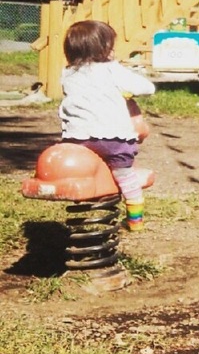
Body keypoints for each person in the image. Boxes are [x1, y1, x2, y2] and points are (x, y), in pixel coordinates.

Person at [58, 20, 156, 231]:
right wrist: (128, 91)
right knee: (125, 175)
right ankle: (135, 219)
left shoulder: (67, 74)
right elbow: (147, 88)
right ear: (105, 49)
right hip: (114, 139)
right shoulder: (112, 70)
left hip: (76, 140)